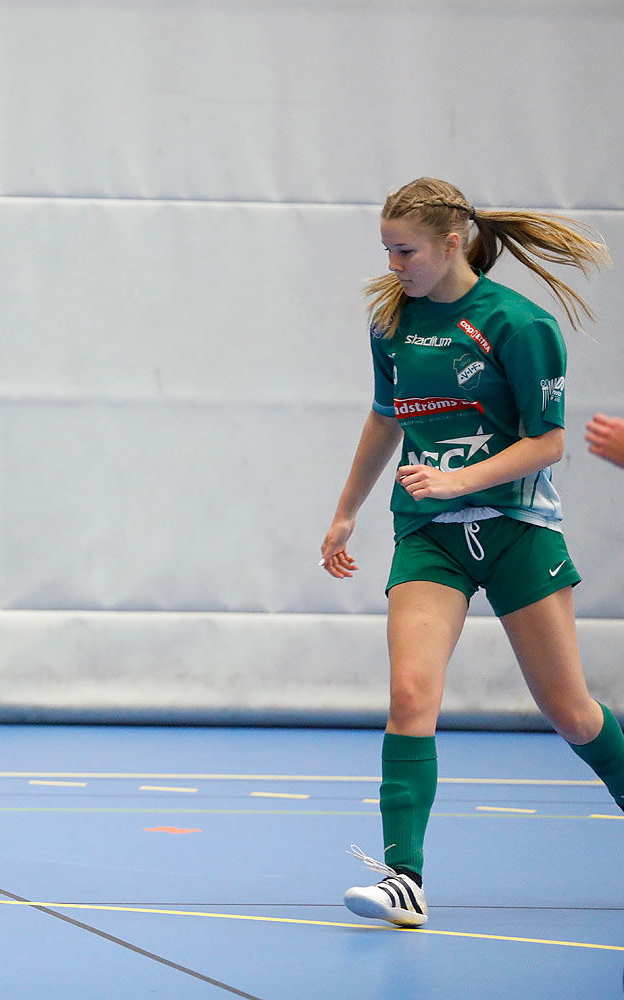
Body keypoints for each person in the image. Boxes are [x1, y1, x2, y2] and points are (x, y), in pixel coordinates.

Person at [319, 176, 624, 928]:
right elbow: (386, 416)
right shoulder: (392, 322)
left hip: (518, 529)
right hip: (429, 536)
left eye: (406, 249)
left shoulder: (518, 324)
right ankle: (405, 878)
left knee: (572, 712)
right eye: (387, 249)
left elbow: (547, 441)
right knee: (410, 697)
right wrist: (345, 511)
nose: (394, 265)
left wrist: (458, 478)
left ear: (452, 242)